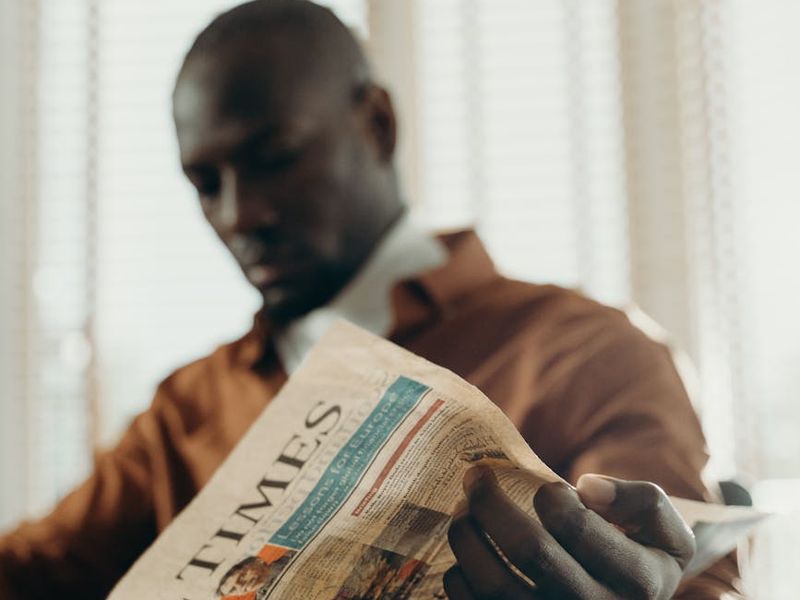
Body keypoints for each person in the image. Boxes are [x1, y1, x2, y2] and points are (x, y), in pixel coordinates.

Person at [0, 1, 742, 598]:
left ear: (378, 124)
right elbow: (34, 569)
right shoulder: (187, 407)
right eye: (206, 183)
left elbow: (689, 577)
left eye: (275, 159)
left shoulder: (588, 351)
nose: (239, 215)